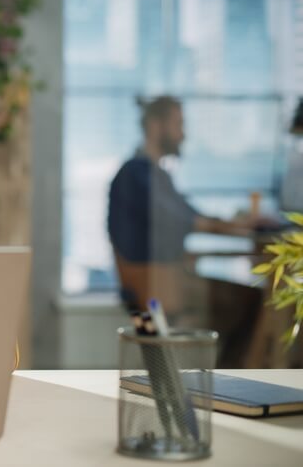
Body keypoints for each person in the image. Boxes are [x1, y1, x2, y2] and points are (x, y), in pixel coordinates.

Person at [107, 96, 272, 365]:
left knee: (249, 301)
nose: (183, 134)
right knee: (253, 301)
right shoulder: (136, 174)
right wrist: (232, 226)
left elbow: (190, 215)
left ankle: (228, 384)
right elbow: (184, 220)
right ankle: (232, 385)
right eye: (178, 124)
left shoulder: (154, 175)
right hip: (156, 287)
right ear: (155, 125)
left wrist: (236, 224)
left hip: (164, 280)